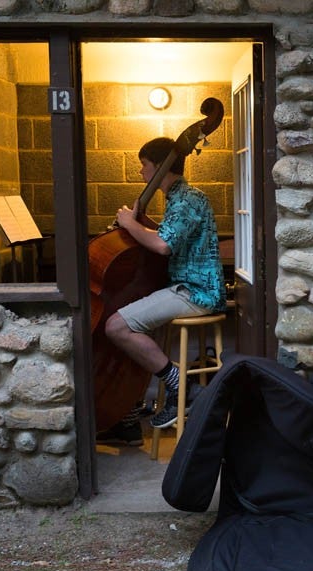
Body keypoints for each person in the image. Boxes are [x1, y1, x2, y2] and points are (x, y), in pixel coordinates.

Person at [96, 136, 226, 446]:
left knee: (116, 326)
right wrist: (138, 224)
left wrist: (129, 224)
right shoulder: (180, 199)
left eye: (144, 165)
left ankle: (183, 387)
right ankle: (130, 415)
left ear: (159, 167)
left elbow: (163, 245)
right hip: (183, 288)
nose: (141, 172)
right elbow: (168, 235)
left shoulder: (187, 199)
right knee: (131, 325)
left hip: (195, 292)